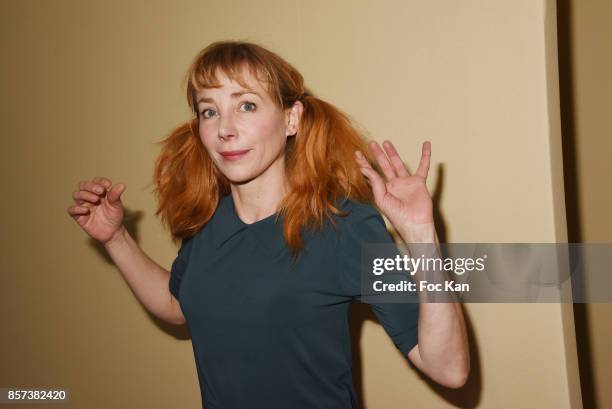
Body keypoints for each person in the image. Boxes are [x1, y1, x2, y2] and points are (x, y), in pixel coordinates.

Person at [67, 40, 469, 408]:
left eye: (246, 105)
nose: (225, 129)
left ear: (291, 118)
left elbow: (448, 369)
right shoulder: (208, 223)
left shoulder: (344, 226)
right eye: (210, 111)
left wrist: (421, 235)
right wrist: (116, 238)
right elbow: (179, 306)